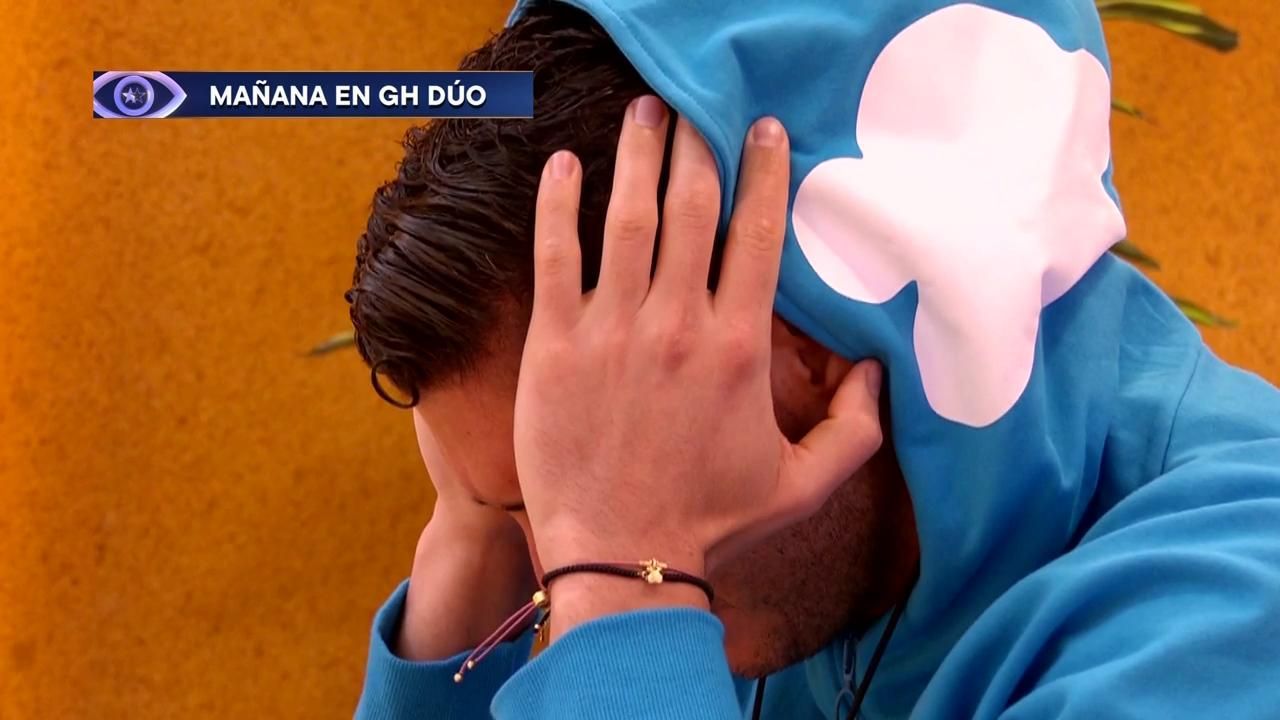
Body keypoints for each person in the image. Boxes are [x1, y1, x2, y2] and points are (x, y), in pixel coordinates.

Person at [347, 2, 1280, 718]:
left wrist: (628, 588)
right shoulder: (811, 561)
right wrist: (475, 533)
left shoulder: (1224, 628)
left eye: (593, 460)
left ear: (818, 348)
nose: (558, 569)